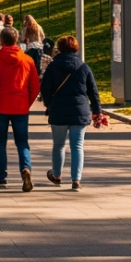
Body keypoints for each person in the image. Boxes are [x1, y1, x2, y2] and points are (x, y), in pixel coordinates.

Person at [41, 35, 103, 192]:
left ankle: (56, 175)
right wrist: (97, 111)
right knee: (77, 146)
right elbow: (93, 91)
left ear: (59, 48)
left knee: (59, 145)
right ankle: (76, 180)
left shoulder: (53, 66)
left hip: (58, 110)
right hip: (79, 111)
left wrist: (49, 103)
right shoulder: (84, 67)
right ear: (76, 48)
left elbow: (45, 88)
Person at [0, 27, 40, 191]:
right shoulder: (27, 60)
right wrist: (27, 102)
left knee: (0, 143)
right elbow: (35, 86)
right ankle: (26, 168)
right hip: (20, 106)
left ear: (0, 41)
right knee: (22, 142)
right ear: (17, 41)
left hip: (1, 105)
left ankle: (1, 177)